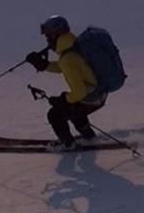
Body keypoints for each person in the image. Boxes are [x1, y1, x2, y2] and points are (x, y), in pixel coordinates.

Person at [25, 15, 106, 151]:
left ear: (57, 34)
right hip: (98, 92)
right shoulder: (73, 47)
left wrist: (62, 100)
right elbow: (68, 67)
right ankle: (88, 136)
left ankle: (67, 143)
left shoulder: (68, 57)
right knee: (72, 109)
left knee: (55, 114)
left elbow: (79, 93)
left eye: (48, 35)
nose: (47, 38)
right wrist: (44, 65)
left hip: (91, 97)